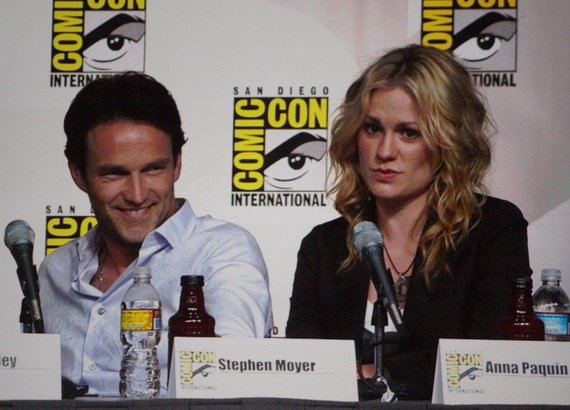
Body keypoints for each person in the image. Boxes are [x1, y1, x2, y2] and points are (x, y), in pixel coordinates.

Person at [286, 44, 531, 398]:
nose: (385, 152)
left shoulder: (492, 229)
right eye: (372, 128)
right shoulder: (323, 246)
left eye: (409, 133)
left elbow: (486, 359)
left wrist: (376, 375)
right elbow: (304, 367)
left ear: (448, 140)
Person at [39, 72, 273, 397]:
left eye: (153, 169)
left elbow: (229, 376)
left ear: (177, 165)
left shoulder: (221, 250)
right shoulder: (56, 269)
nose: (136, 195)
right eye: (114, 174)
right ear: (79, 174)